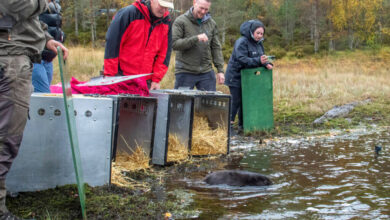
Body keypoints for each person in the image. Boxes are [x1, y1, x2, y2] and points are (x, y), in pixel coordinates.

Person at [0, 1, 68, 219]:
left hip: (15, 55)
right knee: (6, 138)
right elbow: (12, 5)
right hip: (10, 58)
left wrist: (45, 39)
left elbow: (20, 18)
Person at [104, 0, 174, 91]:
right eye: (162, 6)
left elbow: (164, 54)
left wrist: (156, 80)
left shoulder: (166, 22)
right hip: (121, 78)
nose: (164, 10)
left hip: (145, 82)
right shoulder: (128, 14)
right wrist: (110, 76)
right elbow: (112, 45)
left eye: (167, 7)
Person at [224, 20, 273, 134]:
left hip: (249, 78)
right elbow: (242, 59)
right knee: (236, 101)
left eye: (262, 33)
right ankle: (229, 126)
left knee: (245, 101)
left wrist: (266, 64)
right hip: (235, 75)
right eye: (258, 33)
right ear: (251, 32)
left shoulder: (259, 43)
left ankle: (243, 125)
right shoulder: (242, 42)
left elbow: (261, 58)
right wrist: (258, 60)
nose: (260, 36)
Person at [172, 0, 225, 91]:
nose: (203, 12)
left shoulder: (212, 23)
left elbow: (216, 48)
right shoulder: (181, 21)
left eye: (206, 9)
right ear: (194, 3)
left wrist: (220, 70)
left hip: (206, 72)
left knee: (209, 104)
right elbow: (175, 44)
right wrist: (196, 38)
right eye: (201, 8)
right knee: (182, 104)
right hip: (185, 71)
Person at [32, 0, 65, 93]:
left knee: (45, 95)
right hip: (35, 56)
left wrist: (60, 36)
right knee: (42, 96)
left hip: (48, 57)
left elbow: (53, 25)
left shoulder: (56, 4)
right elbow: (29, 23)